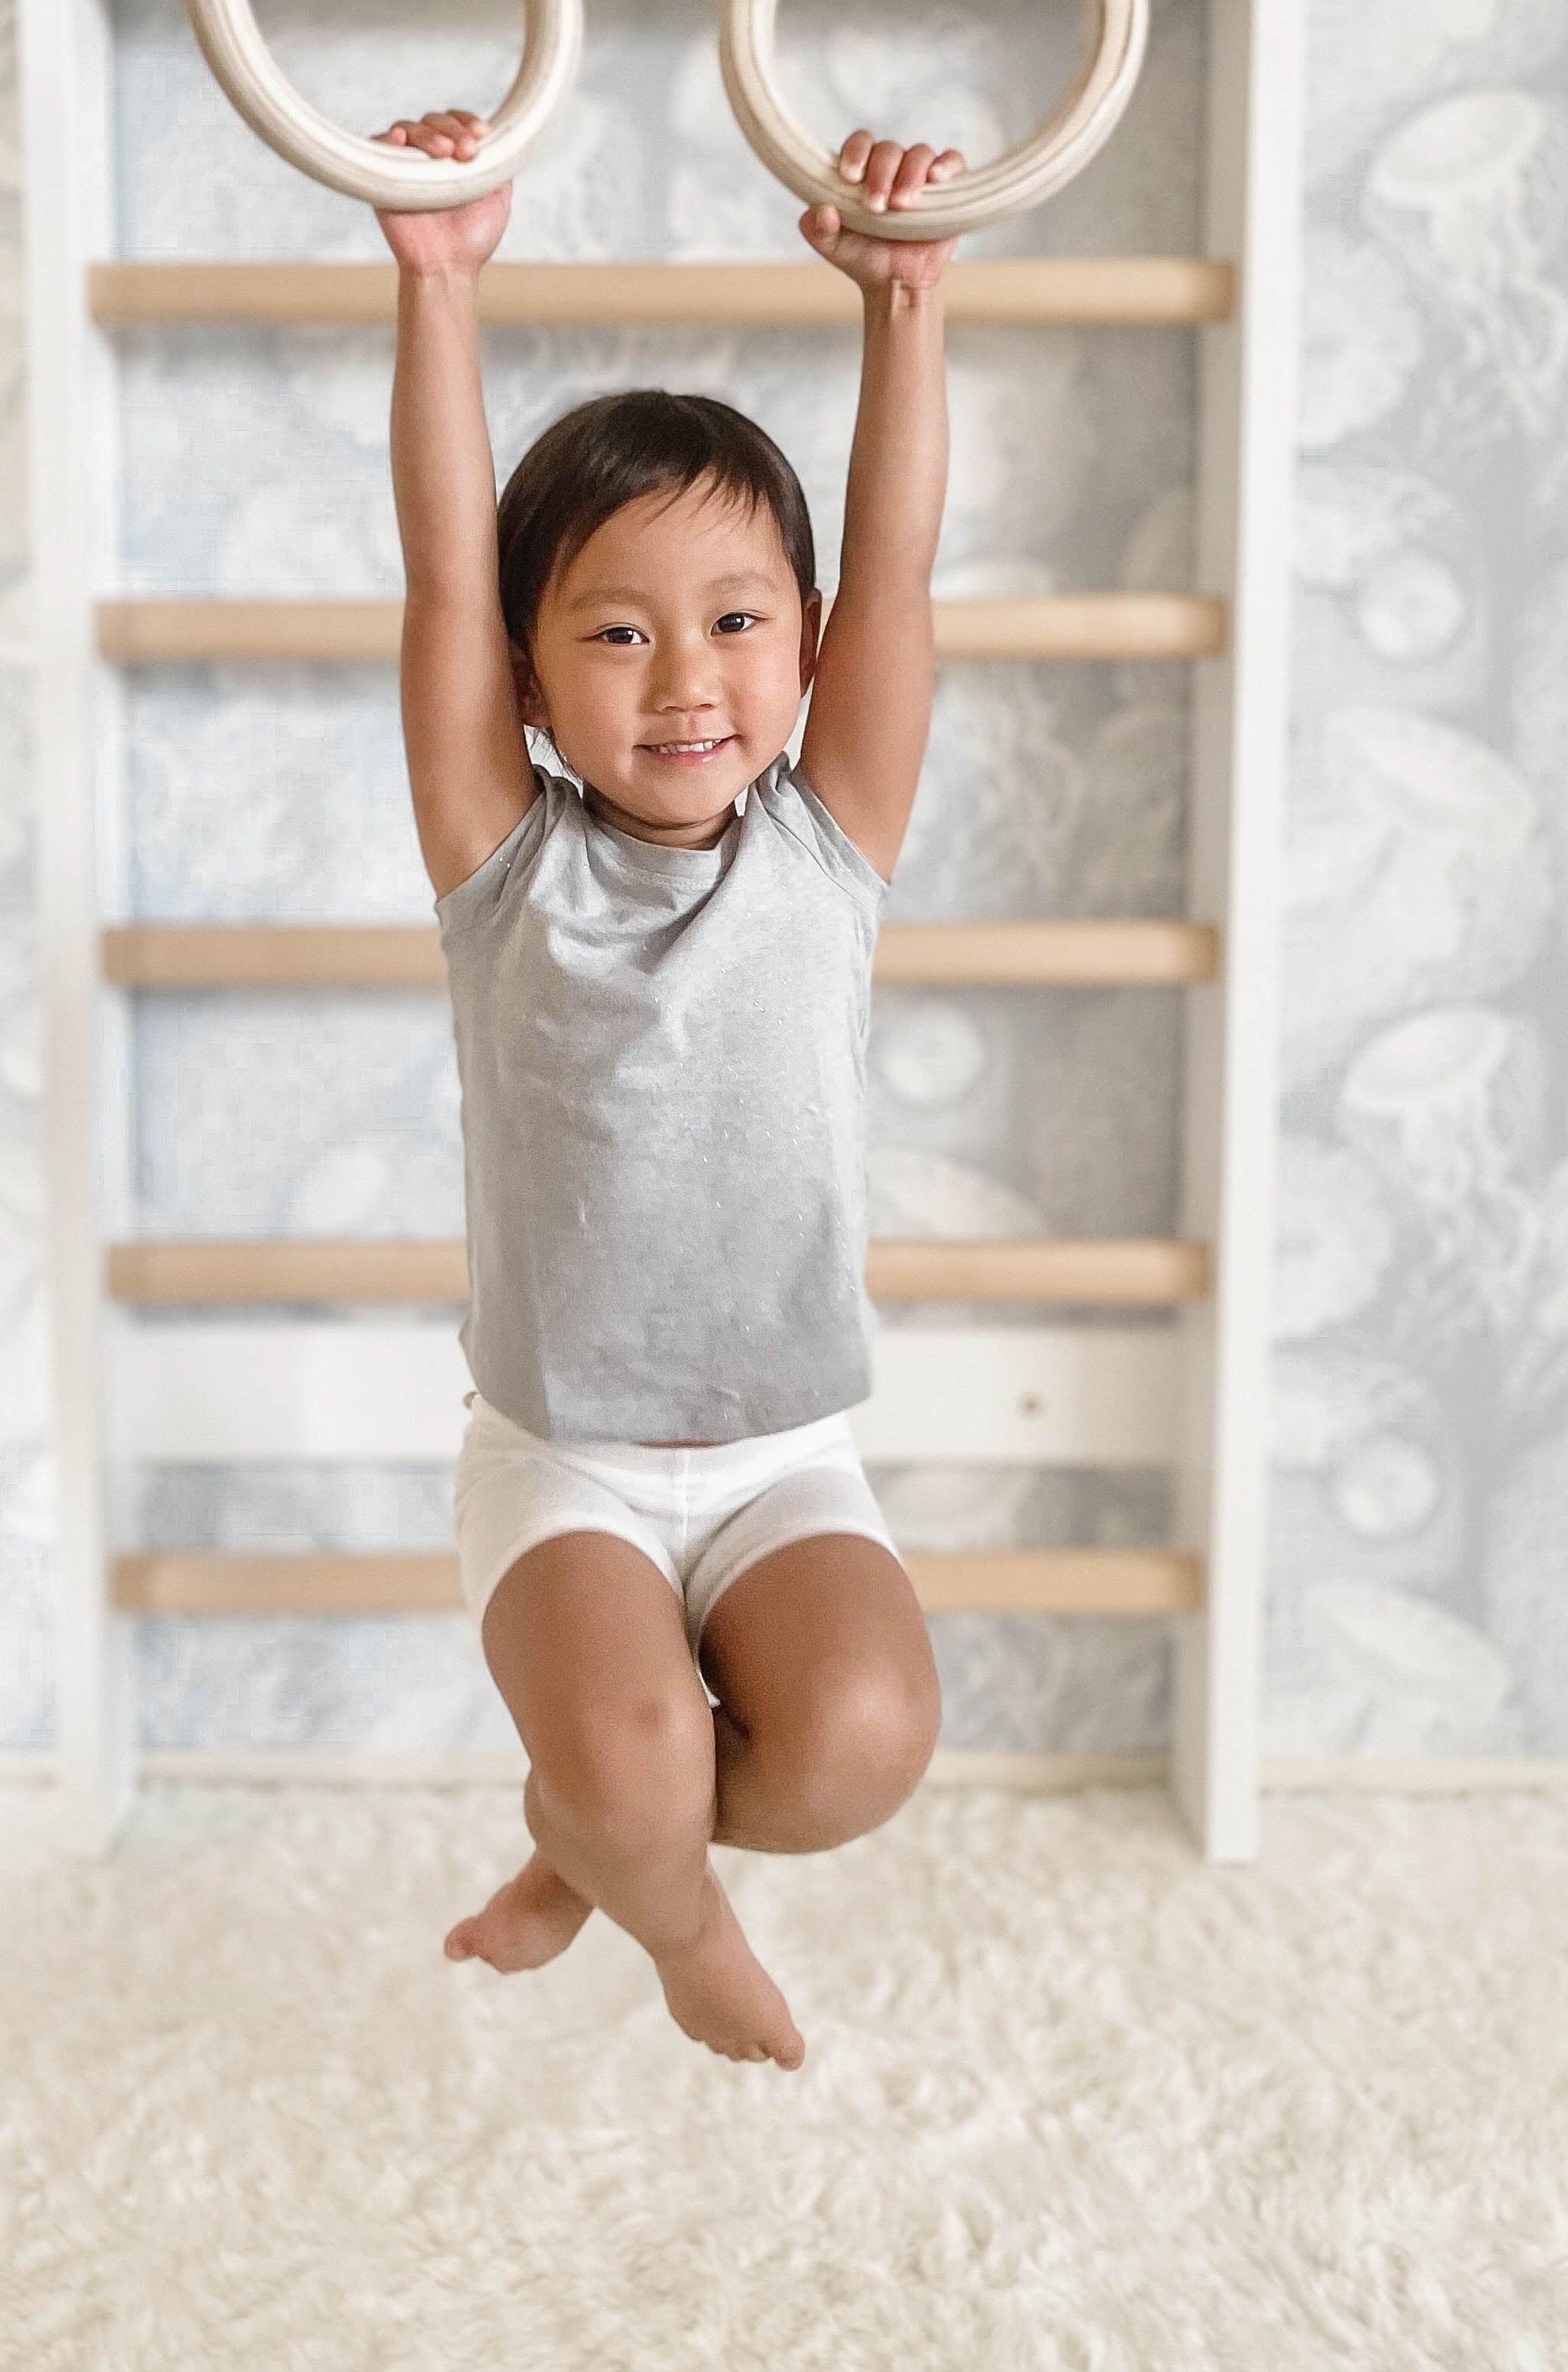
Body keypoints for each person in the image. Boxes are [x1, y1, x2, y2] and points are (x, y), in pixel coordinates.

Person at [378, 109, 964, 2071]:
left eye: (736, 620)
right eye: (616, 632)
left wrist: (904, 303)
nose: (686, 676)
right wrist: (439, 279)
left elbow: (902, 572)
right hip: (570, 1455)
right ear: (532, 679)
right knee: (636, 1751)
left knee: (863, 1739)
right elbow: (441, 581)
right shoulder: (504, 864)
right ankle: (661, 1894)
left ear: (803, 645)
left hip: (784, 1451)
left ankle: (595, 1845)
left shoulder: (829, 848)